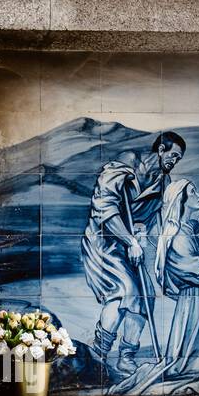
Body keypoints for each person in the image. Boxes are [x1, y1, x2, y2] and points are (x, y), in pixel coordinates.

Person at [109, 178, 199, 395]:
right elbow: (195, 269)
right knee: (195, 354)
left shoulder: (194, 227)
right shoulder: (177, 235)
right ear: (181, 200)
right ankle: (196, 369)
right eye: (193, 192)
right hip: (195, 300)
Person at [81, 131, 185, 373]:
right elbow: (105, 210)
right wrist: (130, 241)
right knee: (124, 291)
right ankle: (99, 352)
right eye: (173, 155)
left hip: (131, 247)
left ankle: (126, 357)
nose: (174, 161)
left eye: (179, 159)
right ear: (161, 149)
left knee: (146, 296)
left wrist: (145, 239)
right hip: (104, 243)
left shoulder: (163, 182)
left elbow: (157, 220)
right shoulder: (125, 164)